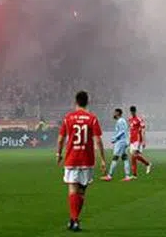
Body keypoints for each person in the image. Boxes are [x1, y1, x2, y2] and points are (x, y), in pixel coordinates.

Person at [57, 90, 105, 233]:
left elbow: (60, 139)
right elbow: (98, 140)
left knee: (72, 189)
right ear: (87, 101)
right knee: (82, 191)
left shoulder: (68, 118)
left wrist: (58, 154)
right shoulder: (92, 118)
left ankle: (74, 220)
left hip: (71, 157)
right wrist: (102, 159)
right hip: (87, 159)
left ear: (75, 102)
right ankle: (74, 219)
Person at [103, 108, 132, 181]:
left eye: (114, 113)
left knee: (115, 157)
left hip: (121, 142)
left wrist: (115, 138)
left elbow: (122, 131)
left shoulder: (120, 121)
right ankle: (127, 176)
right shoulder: (122, 121)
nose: (113, 114)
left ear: (118, 113)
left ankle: (109, 176)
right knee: (124, 158)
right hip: (124, 141)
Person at [128, 105, 151, 176]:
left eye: (133, 111)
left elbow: (143, 130)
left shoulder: (139, 119)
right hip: (132, 140)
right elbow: (130, 130)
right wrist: (129, 139)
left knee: (134, 155)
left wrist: (144, 141)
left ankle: (146, 164)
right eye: (131, 111)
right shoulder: (130, 119)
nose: (132, 112)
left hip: (138, 140)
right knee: (133, 156)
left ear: (135, 111)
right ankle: (146, 164)